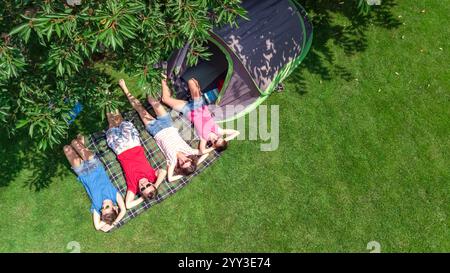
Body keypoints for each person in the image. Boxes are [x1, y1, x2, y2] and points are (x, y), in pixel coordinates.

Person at [118, 79, 209, 182]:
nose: (183, 160)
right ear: (190, 159)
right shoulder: (190, 151)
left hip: (155, 130)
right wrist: (195, 164)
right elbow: (205, 153)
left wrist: (183, 174)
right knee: (153, 101)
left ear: (180, 166)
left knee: (140, 109)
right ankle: (146, 79)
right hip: (167, 124)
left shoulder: (172, 162)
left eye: (182, 164)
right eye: (187, 161)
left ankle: (124, 87)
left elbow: (170, 179)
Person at [105, 109, 167, 209]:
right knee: (120, 121)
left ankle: (106, 104)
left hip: (120, 149)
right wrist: (155, 185)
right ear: (151, 183)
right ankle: (112, 101)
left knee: (111, 125)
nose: (143, 184)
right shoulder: (152, 177)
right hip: (133, 143)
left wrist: (143, 197)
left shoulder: (133, 187)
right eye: (148, 185)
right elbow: (163, 171)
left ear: (140, 191)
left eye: (142, 188)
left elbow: (128, 205)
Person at [63, 135, 126, 232]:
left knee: (66, 149)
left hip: (83, 173)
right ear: (115, 207)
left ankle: (80, 153)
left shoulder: (96, 207)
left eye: (102, 209)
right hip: (95, 166)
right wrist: (114, 223)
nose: (103, 205)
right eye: (107, 207)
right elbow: (124, 210)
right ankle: (81, 148)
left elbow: (97, 227)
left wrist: (107, 221)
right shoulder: (114, 195)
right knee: (74, 142)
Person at [160, 77, 240, 154]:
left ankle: (163, 78)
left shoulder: (204, 139)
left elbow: (202, 151)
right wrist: (225, 140)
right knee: (191, 81)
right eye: (219, 138)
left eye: (215, 141)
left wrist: (213, 148)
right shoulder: (219, 131)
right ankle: (197, 89)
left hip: (187, 110)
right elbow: (237, 132)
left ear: (213, 144)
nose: (216, 138)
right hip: (199, 106)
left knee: (165, 99)